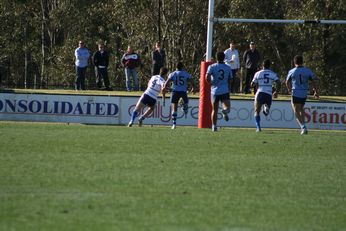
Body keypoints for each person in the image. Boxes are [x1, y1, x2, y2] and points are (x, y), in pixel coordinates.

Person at [286, 55, 319, 135]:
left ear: (294, 62)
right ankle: (303, 126)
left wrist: (289, 89)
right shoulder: (307, 71)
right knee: (300, 109)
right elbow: (314, 80)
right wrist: (316, 91)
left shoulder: (292, 71)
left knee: (296, 111)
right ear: (302, 62)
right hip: (304, 93)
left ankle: (303, 127)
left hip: (296, 92)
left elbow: (287, 82)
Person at [205, 51, 233, 132]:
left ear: (216, 58)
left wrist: (211, 83)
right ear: (224, 58)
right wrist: (228, 86)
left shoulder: (212, 66)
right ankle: (225, 111)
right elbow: (230, 79)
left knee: (214, 110)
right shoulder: (228, 67)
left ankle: (214, 126)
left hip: (214, 91)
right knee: (227, 107)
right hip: (224, 90)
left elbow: (207, 77)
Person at [163, 62, 195, 129]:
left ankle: (174, 124)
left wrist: (164, 88)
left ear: (176, 67)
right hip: (183, 91)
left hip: (175, 91)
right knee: (186, 102)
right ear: (182, 67)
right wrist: (193, 87)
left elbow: (167, 82)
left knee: (174, 108)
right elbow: (191, 80)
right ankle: (184, 106)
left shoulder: (173, 74)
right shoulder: (185, 73)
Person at [251, 59, 280, 132]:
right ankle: (265, 107)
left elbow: (252, 84)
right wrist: (276, 91)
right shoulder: (272, 73)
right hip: (269, 94)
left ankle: (258, 127)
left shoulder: (258, 73)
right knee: (265, 113)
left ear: (262, 65)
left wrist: (254, 84)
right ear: (269, 66)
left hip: (260, 92)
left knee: (256, 111)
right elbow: (278, 82)